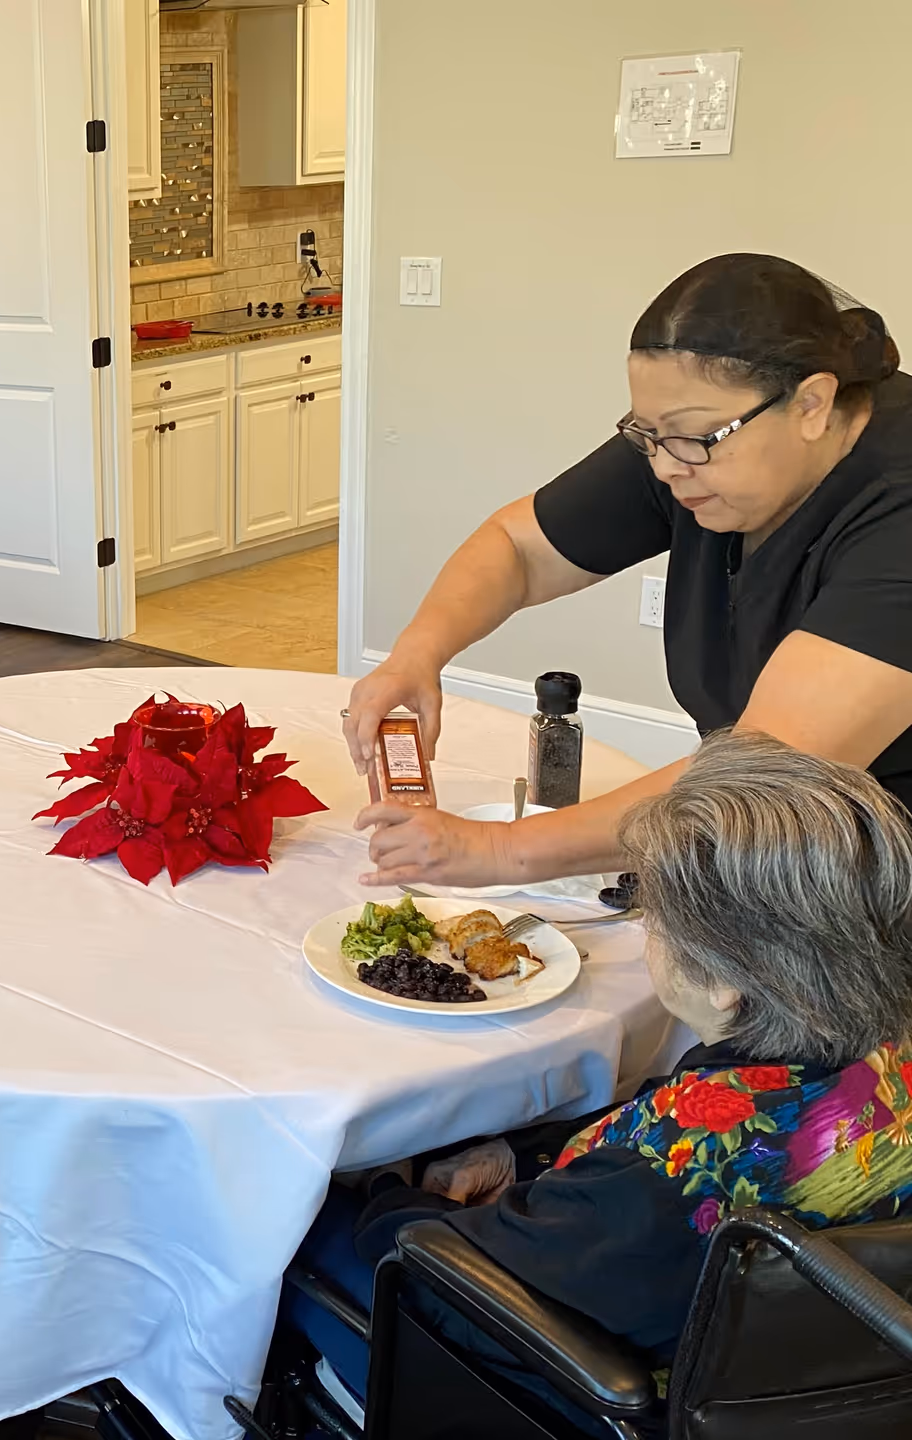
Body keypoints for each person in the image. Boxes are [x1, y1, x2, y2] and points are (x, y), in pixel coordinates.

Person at [285, 729, 912, 1417]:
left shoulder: (664, 1179)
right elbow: (669, 1119)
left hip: (545, 1387)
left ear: (726, 982)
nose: (650, 934)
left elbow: (437, 1272)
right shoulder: (869, 1049)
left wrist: (385, 1192)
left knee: (290, 1211)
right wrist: (522, 1156)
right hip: (798, 1359)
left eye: (658, 919)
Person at [344, 253, 912, 887]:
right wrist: (415, 656)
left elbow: (765, 771)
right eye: (648, 434)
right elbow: (519, 547)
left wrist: (500, 851)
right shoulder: (690, 447)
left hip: (878, 887)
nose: (666, 468)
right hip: (759, 843)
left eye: (690, 438)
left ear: (811, 403)